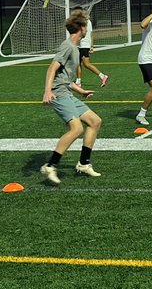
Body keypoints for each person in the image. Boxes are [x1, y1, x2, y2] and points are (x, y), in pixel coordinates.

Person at [39, 11, 104, 185]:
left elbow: (65, 78)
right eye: (86, 27)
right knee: (76, 129)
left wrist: (80, 91)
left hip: (66, 92)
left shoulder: (74, 48)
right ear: (82, 29)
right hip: (58, 94)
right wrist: (47, 91)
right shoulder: (67, 46)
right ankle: (50, 165)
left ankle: (83, 164)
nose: (87, 31)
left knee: (95, 121)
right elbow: (51, 69)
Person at [70, 6, 109, 88]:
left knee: (86, 64)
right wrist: (91, 46)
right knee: (78, 63)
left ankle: (103, 76)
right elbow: (90, 35)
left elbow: (86, 34)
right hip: (82, 45)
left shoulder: (85, 22)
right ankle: (78, 81)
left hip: (84, 45)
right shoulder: (85, 21)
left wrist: (90, 46)